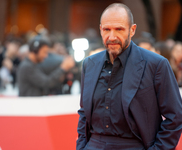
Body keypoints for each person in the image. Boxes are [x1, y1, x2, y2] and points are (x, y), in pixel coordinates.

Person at [77, 3, 182, 150]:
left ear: (132, 30)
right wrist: (81, 146)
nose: (112, 36)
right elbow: (84, 113)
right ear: (100, 29)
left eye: (119, 29)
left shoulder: (156, 65)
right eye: (107, 29)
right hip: (94, 144)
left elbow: (175, 117)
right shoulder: (89, 64)